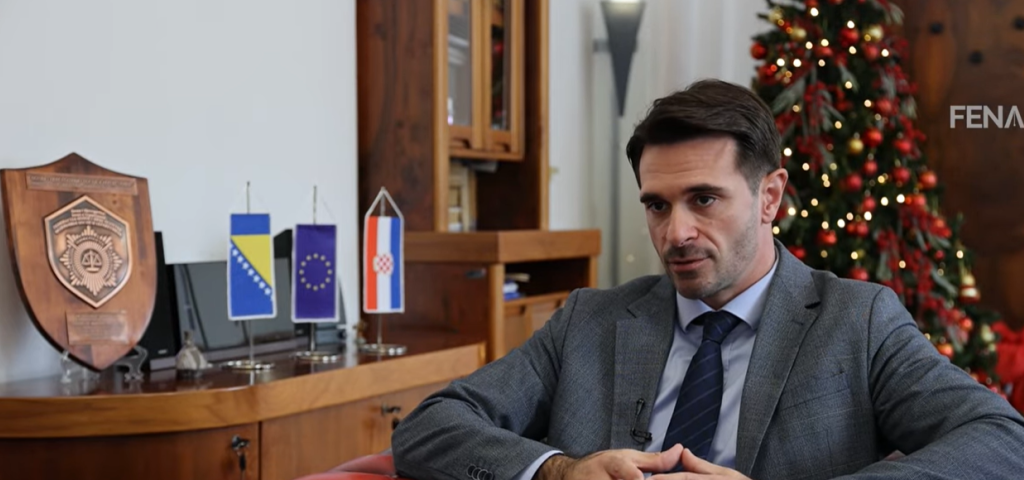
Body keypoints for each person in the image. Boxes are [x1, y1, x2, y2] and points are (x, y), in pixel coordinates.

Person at [391, 79, 1024, 480]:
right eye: (657, 205)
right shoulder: (589, 320)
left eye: (704, 199)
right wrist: (562, 471)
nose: (676, 233)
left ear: (769, 197)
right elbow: (430, 426)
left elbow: (1001, 439)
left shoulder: (858, 321)